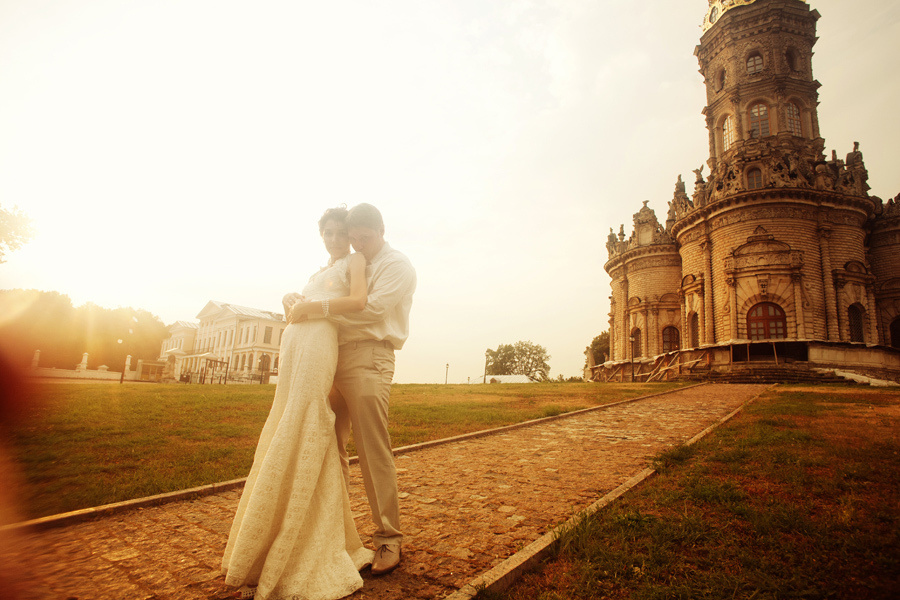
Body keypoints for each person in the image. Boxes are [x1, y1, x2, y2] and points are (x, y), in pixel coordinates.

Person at [221, 206, 374, 600]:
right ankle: (273, 533)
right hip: (296, 343)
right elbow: (307, 302)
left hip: (321, 339)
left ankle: (309, 537)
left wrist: (313, 307)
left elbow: (358, 301)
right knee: (285, 417)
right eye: (329, 233)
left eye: (341, 233)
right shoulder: (316, 271)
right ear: (320, 233)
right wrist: (293, 298)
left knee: (309, 419)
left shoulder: (355, 260)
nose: (336, 240)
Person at [326, 203, 416, 576]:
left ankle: (388, 539)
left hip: (370, 358)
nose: (358, 243)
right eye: (353, 237)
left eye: (365, 237)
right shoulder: (353, 263)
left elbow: (374, 310)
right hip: (334, 359)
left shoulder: (397, 265)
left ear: (381, 230)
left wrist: (318, 309)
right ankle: (334, 536)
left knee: (372, 448)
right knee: (327, 446)